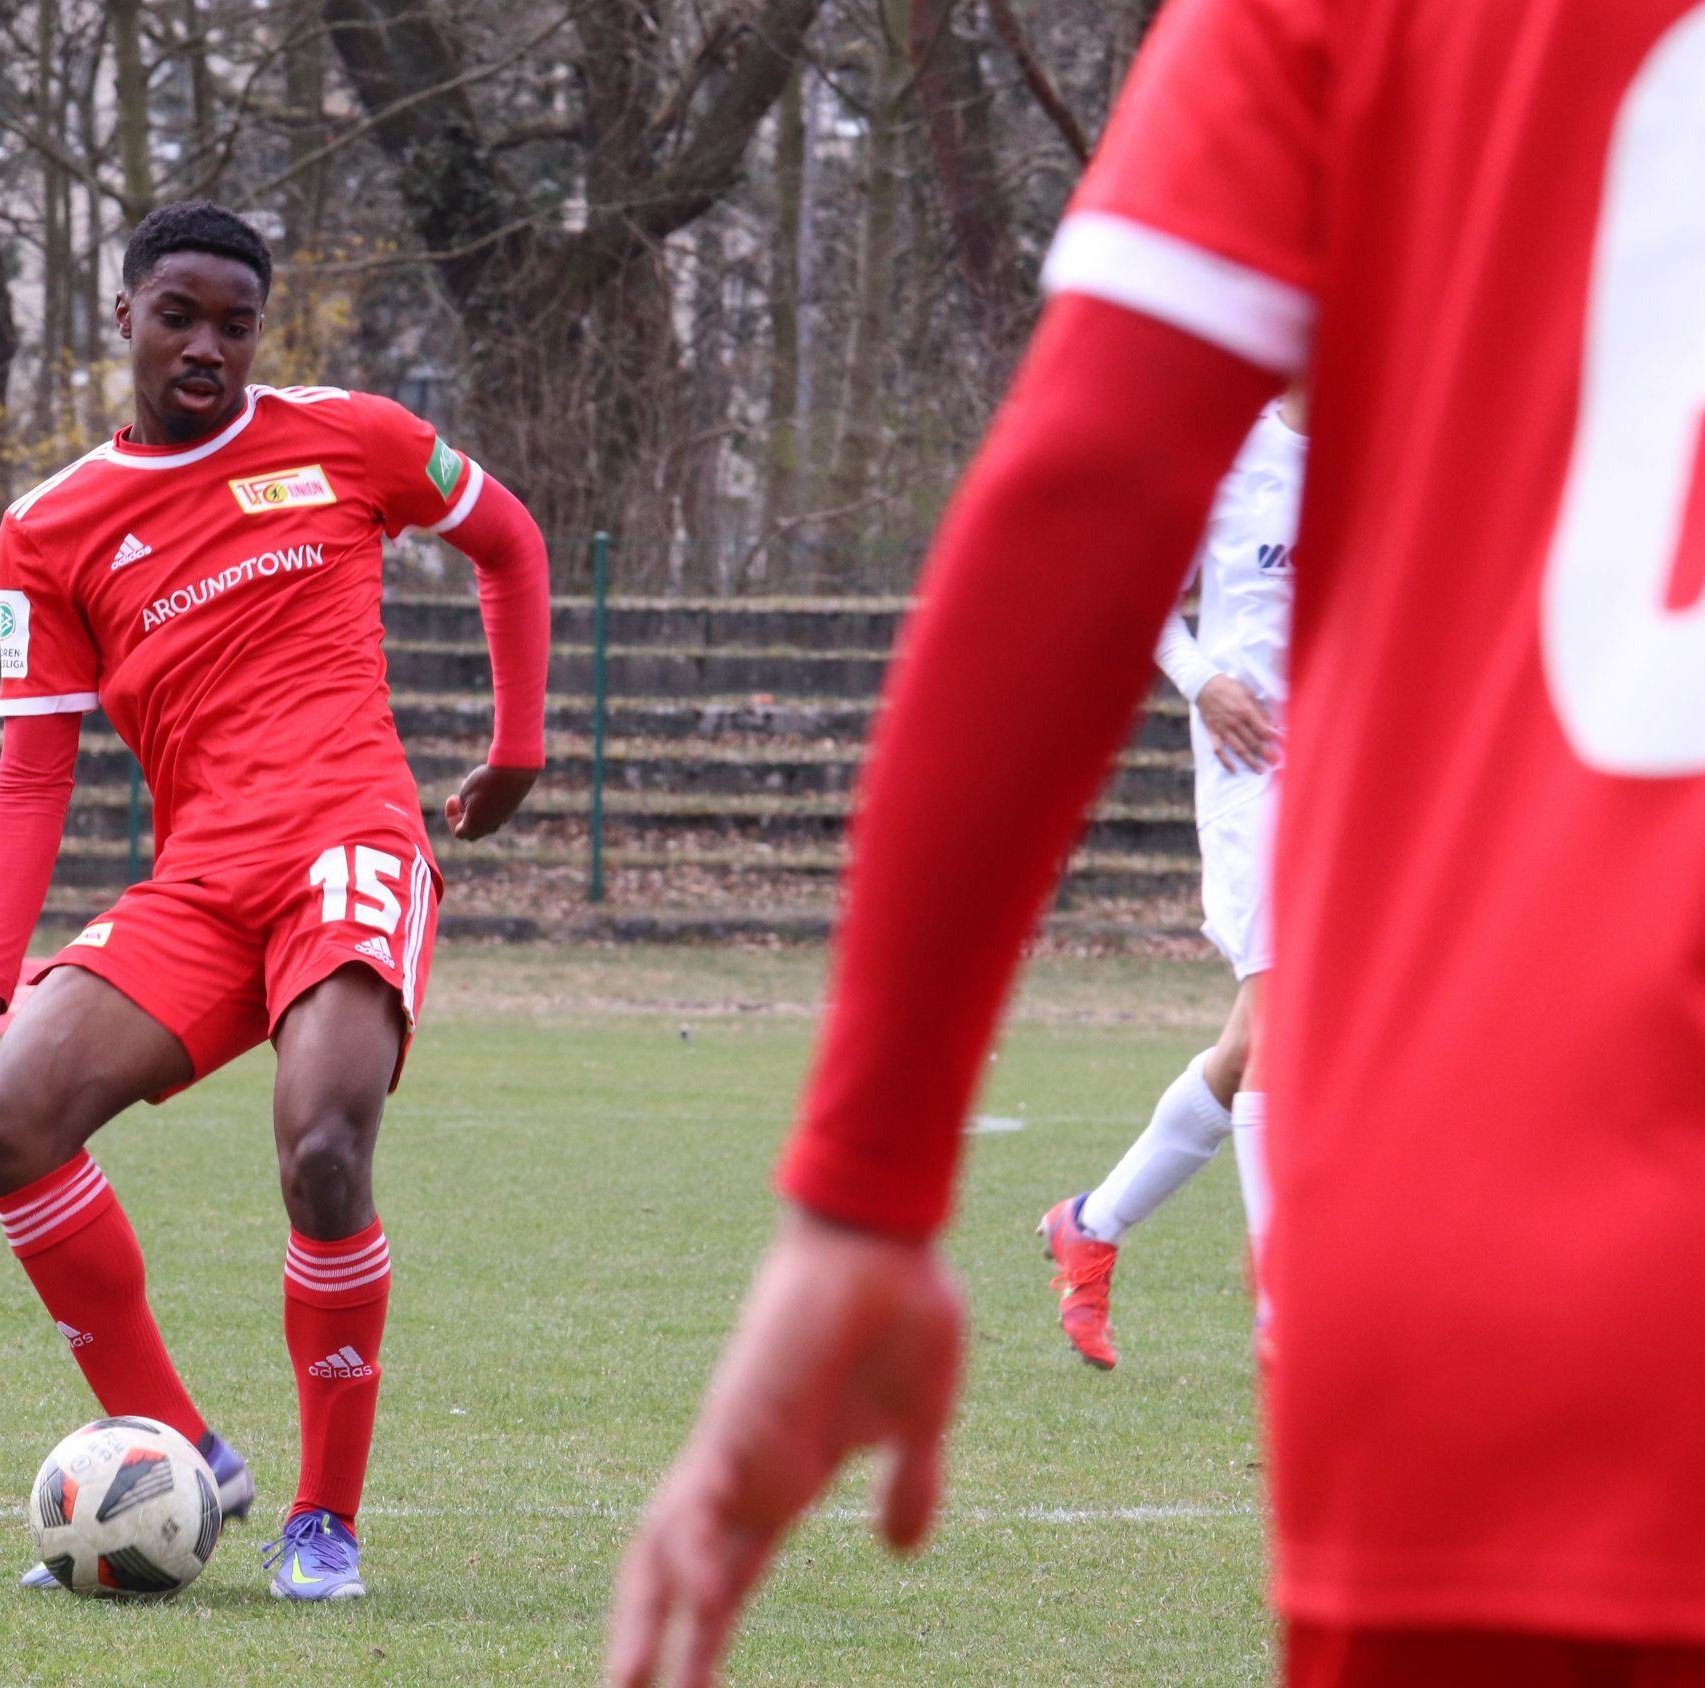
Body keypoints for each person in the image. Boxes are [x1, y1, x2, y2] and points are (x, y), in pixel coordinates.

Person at [606, 0, 1705, 1682]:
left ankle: (1128, 1232)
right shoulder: (1305, 414)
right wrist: (1208, 682)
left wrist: (863, 1201)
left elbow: (1072, 496)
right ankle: (1193, 1256)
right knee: (1277, 1026)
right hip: (1310, 805)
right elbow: (1137, 555)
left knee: (1282, 1032)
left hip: (1506, 1273)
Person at [0, 200, 553, 1603]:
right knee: (9, 1122)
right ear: (123, 315)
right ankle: (182, 1449)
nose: (207, 347)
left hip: (349, 847)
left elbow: (513, 542)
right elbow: (32, 770)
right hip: (202, 886)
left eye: (235, 324)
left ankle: (322, 1522)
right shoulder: (49, 528)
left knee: (325, 1154)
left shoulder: (346, 434)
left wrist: (517, 748)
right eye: (179, 315)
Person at [1039, 392, 1305, 1369]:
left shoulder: (1389, 446)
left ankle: (1089, 1223)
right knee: (1282, 1022)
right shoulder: (1228, 450)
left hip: (1351, 770)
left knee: (1250, 1044)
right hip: (1252, 770)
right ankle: (1286, 1308)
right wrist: (1204, 681)